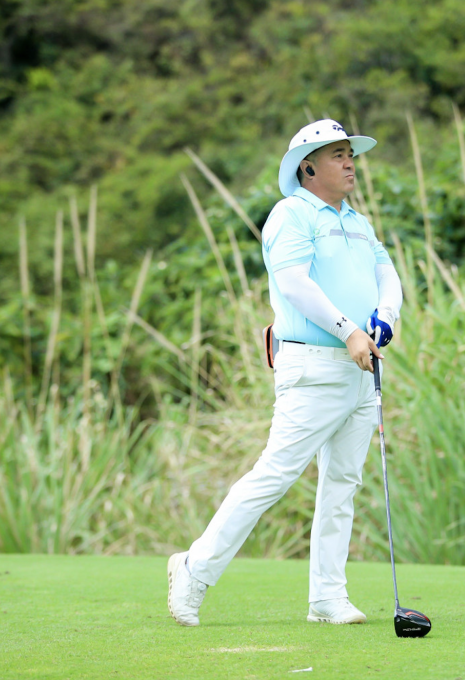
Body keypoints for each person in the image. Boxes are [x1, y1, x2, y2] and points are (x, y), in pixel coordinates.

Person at [167, 119, 403, 627]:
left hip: (361, 367)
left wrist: (386, 314)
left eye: (351, 154)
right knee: (275, 473)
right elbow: (294, 283)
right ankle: (193, 567)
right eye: (338, 155)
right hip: (313, 365)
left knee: (343, 482)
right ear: (308, 167)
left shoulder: (358, 222)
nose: (350, 163)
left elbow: (387, 273)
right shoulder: (291, 214)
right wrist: (348, 330)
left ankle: (327, 597)